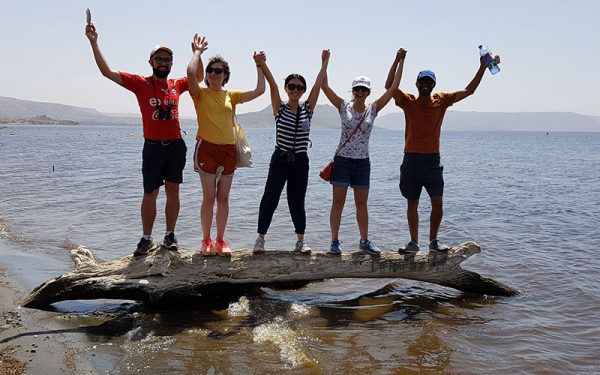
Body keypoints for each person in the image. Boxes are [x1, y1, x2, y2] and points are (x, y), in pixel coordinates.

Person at [85, 23, 189, 256]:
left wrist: (197, 54)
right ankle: (146, 238)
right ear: (150, 62)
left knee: (173, 190)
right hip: (152, 146)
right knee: (150, 193)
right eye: (159, 59)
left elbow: (197, 75)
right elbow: (107, 72)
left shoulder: (177, 85)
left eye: (167, 59)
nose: (163, 63)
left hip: (175, 146)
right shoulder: (140, 83)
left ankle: (170, 236)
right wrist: (94, 42)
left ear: (172, 64)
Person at [385, 50, 501, 253]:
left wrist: (482, 67)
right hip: (411, 159)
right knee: (412, 202)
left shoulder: (442, 100)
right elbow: (389, 86)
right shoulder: (408, 101)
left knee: (437, 202)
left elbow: (469, 90)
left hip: (432, 161)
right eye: (422, 81)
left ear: (434, 84)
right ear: (417, 83)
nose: (425, 84)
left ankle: (433, 242)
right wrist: (397, 60)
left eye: (429, 81)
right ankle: (413, 243)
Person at [321, 49, 407, 255]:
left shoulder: (374, 108)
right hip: (342, 161)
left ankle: (364, 241)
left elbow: (394, 87)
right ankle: (334, 242)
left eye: (364, 90)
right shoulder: (343, 106)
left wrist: (399, 60)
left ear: (368, 92)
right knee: (338, 204)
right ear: (352, 91)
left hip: (362, 162)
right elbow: (324, 85)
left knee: (361, 205)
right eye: (357, 89)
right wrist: (325, 61)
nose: (360, 93)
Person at [186, 34, 265, 256]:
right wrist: (198, 52)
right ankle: (206, 240)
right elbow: (191, 73)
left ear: (225, 75)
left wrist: (259, 65)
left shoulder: (232, 95)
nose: (213, 73)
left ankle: (221, 240)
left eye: (218, 71)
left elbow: (260, 91)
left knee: (223, 198)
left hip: (228, 150)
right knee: (209, 198)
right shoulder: (199, 94)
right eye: (211, 70)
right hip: (207, 149)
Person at [252, 50, 331, 255]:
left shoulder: (308, 109)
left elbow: (317, 85)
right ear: (287, 89)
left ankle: (300, 241)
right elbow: (273, 85)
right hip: (279, 159)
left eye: (299, 87)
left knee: (297, 201)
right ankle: (260, 239)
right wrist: (262, 64)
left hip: (300, 161)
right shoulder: (280, 108)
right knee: (270, 198)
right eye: (292, 86)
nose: (296, 90)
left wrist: (325, 62)